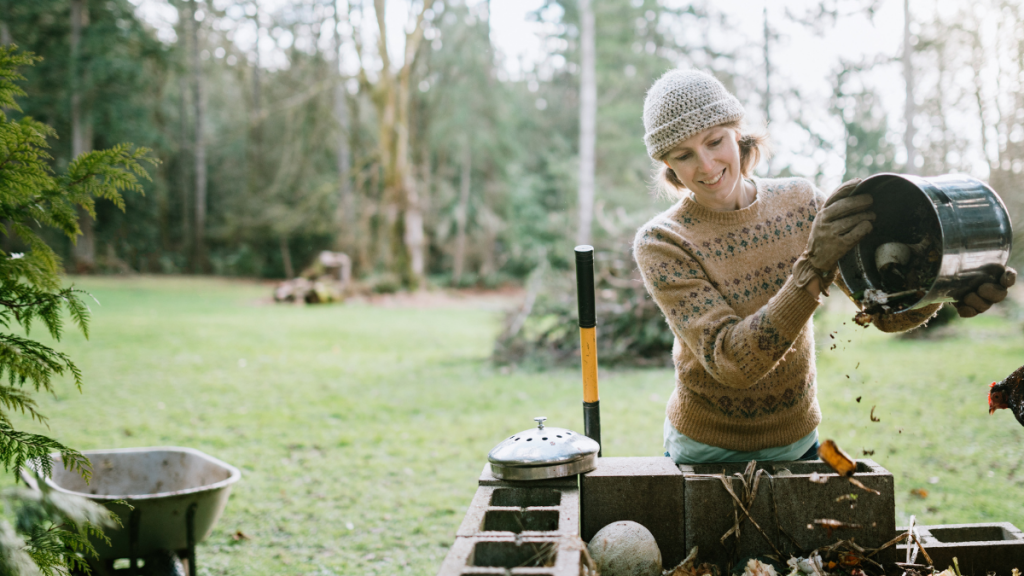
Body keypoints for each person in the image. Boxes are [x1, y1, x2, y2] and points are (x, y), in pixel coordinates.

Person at [633, 69, 1016, 465]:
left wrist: (937, 286)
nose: (707, 164)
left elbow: (880, 311)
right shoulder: (662, 242)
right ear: (667, 165)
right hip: (704, 451)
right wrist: (813, 267)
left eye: (715, 141)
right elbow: (732, 361)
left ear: (737, 133)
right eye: (684, 155)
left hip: (797, 443)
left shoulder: (802, 203)